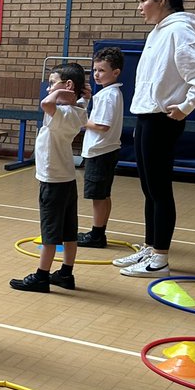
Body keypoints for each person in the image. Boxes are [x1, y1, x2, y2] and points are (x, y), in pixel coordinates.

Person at [113, 0, 195, 278]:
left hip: (164, 119)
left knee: (160, 189)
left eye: (143, 0)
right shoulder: (158, 32)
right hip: (148, 117)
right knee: (149, 189)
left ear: (162, 0)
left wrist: (187, 105)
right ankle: (151, 247)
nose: (139, 7)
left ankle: (160, 257)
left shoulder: (180, 30)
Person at [10, 63, 87, 294]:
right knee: (69, 230)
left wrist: (58, 93)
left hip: (53, 181)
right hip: (67, 179)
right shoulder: (79, 110)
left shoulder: (61, 112)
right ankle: (66, 273)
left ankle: (42, 276)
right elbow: (79, 101)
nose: (48, 89)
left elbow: (46, 103)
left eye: (52, 83)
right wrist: (79, 95)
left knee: (51, 232)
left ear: (68, 86)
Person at [77, 48, 124, 248]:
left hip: (100, 151)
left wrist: (80, 120)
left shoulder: (107, 96)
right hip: (105, 150)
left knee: (98, 196)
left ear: (115, 72)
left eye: (102, 70)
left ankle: (97, 235)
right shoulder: (109, 93)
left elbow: (103, 126)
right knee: (103, 194)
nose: (96, 74)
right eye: (95, 70)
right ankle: (99, 231)